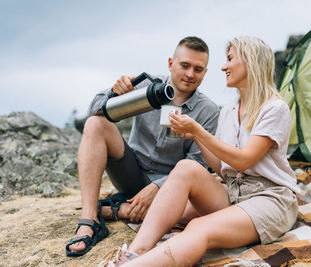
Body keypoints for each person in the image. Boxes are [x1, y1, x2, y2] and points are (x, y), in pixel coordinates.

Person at [112, 36, 300, 266]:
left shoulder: (274, 108)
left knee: (197, 226)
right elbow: (224, 171)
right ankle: (136, 250)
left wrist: (199, 132)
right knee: (186, 168)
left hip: (269, 199)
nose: (223, 66)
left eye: (230, 59)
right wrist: (194, 136)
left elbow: (244, 161)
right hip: (234, 193)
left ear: (251, 62)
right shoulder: (228, 111)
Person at [65, 36, 220, 256]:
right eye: (184, 65)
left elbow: (197, 163)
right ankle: (89, 219)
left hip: (171, 190)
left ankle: (118, 209)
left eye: (198, 69)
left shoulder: (208, 111)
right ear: (170, 63)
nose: (189, 74)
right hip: (131, 171)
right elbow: (93, 109)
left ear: (205, 73)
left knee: (204, 213)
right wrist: (115, 93)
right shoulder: (147, 83)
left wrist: (157, 188)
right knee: (95, 123)